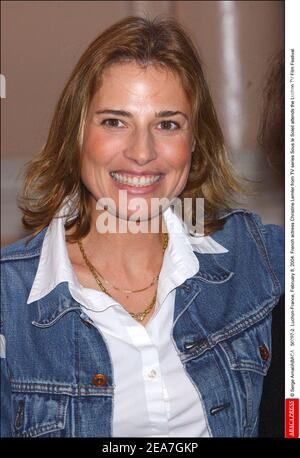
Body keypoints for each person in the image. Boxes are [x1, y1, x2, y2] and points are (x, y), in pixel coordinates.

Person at [0, 15, 284, 438]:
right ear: (75, 135)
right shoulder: (9, 299)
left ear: (195, 142)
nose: (141, 152)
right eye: (115, 121)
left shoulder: (260, 257)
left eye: (167, 124)